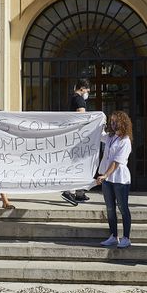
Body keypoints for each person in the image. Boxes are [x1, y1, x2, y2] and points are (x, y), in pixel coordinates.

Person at [97, 111, 133, 249]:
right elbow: (100, 135)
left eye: (115, 121)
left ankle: (126, 238)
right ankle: (113, 236)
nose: (113, 124)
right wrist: (100, 120)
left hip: (119, 179)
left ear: (123, 122)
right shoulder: (110, 137)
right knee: (110, 208)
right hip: (108, 178)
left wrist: (105, 175)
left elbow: (116, 162)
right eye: (111, 121)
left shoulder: (125, 140)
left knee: (122, 208)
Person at [62, 78, 91, 206]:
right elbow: (81, 117)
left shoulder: (72, 98)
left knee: (79, 164)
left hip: (74, 137)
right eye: (87, 90)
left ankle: (79, 192)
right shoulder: (79, 99)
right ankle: (68, 191)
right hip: (78, 138)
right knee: (77, 165)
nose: (88, 93)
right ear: (82, 88)